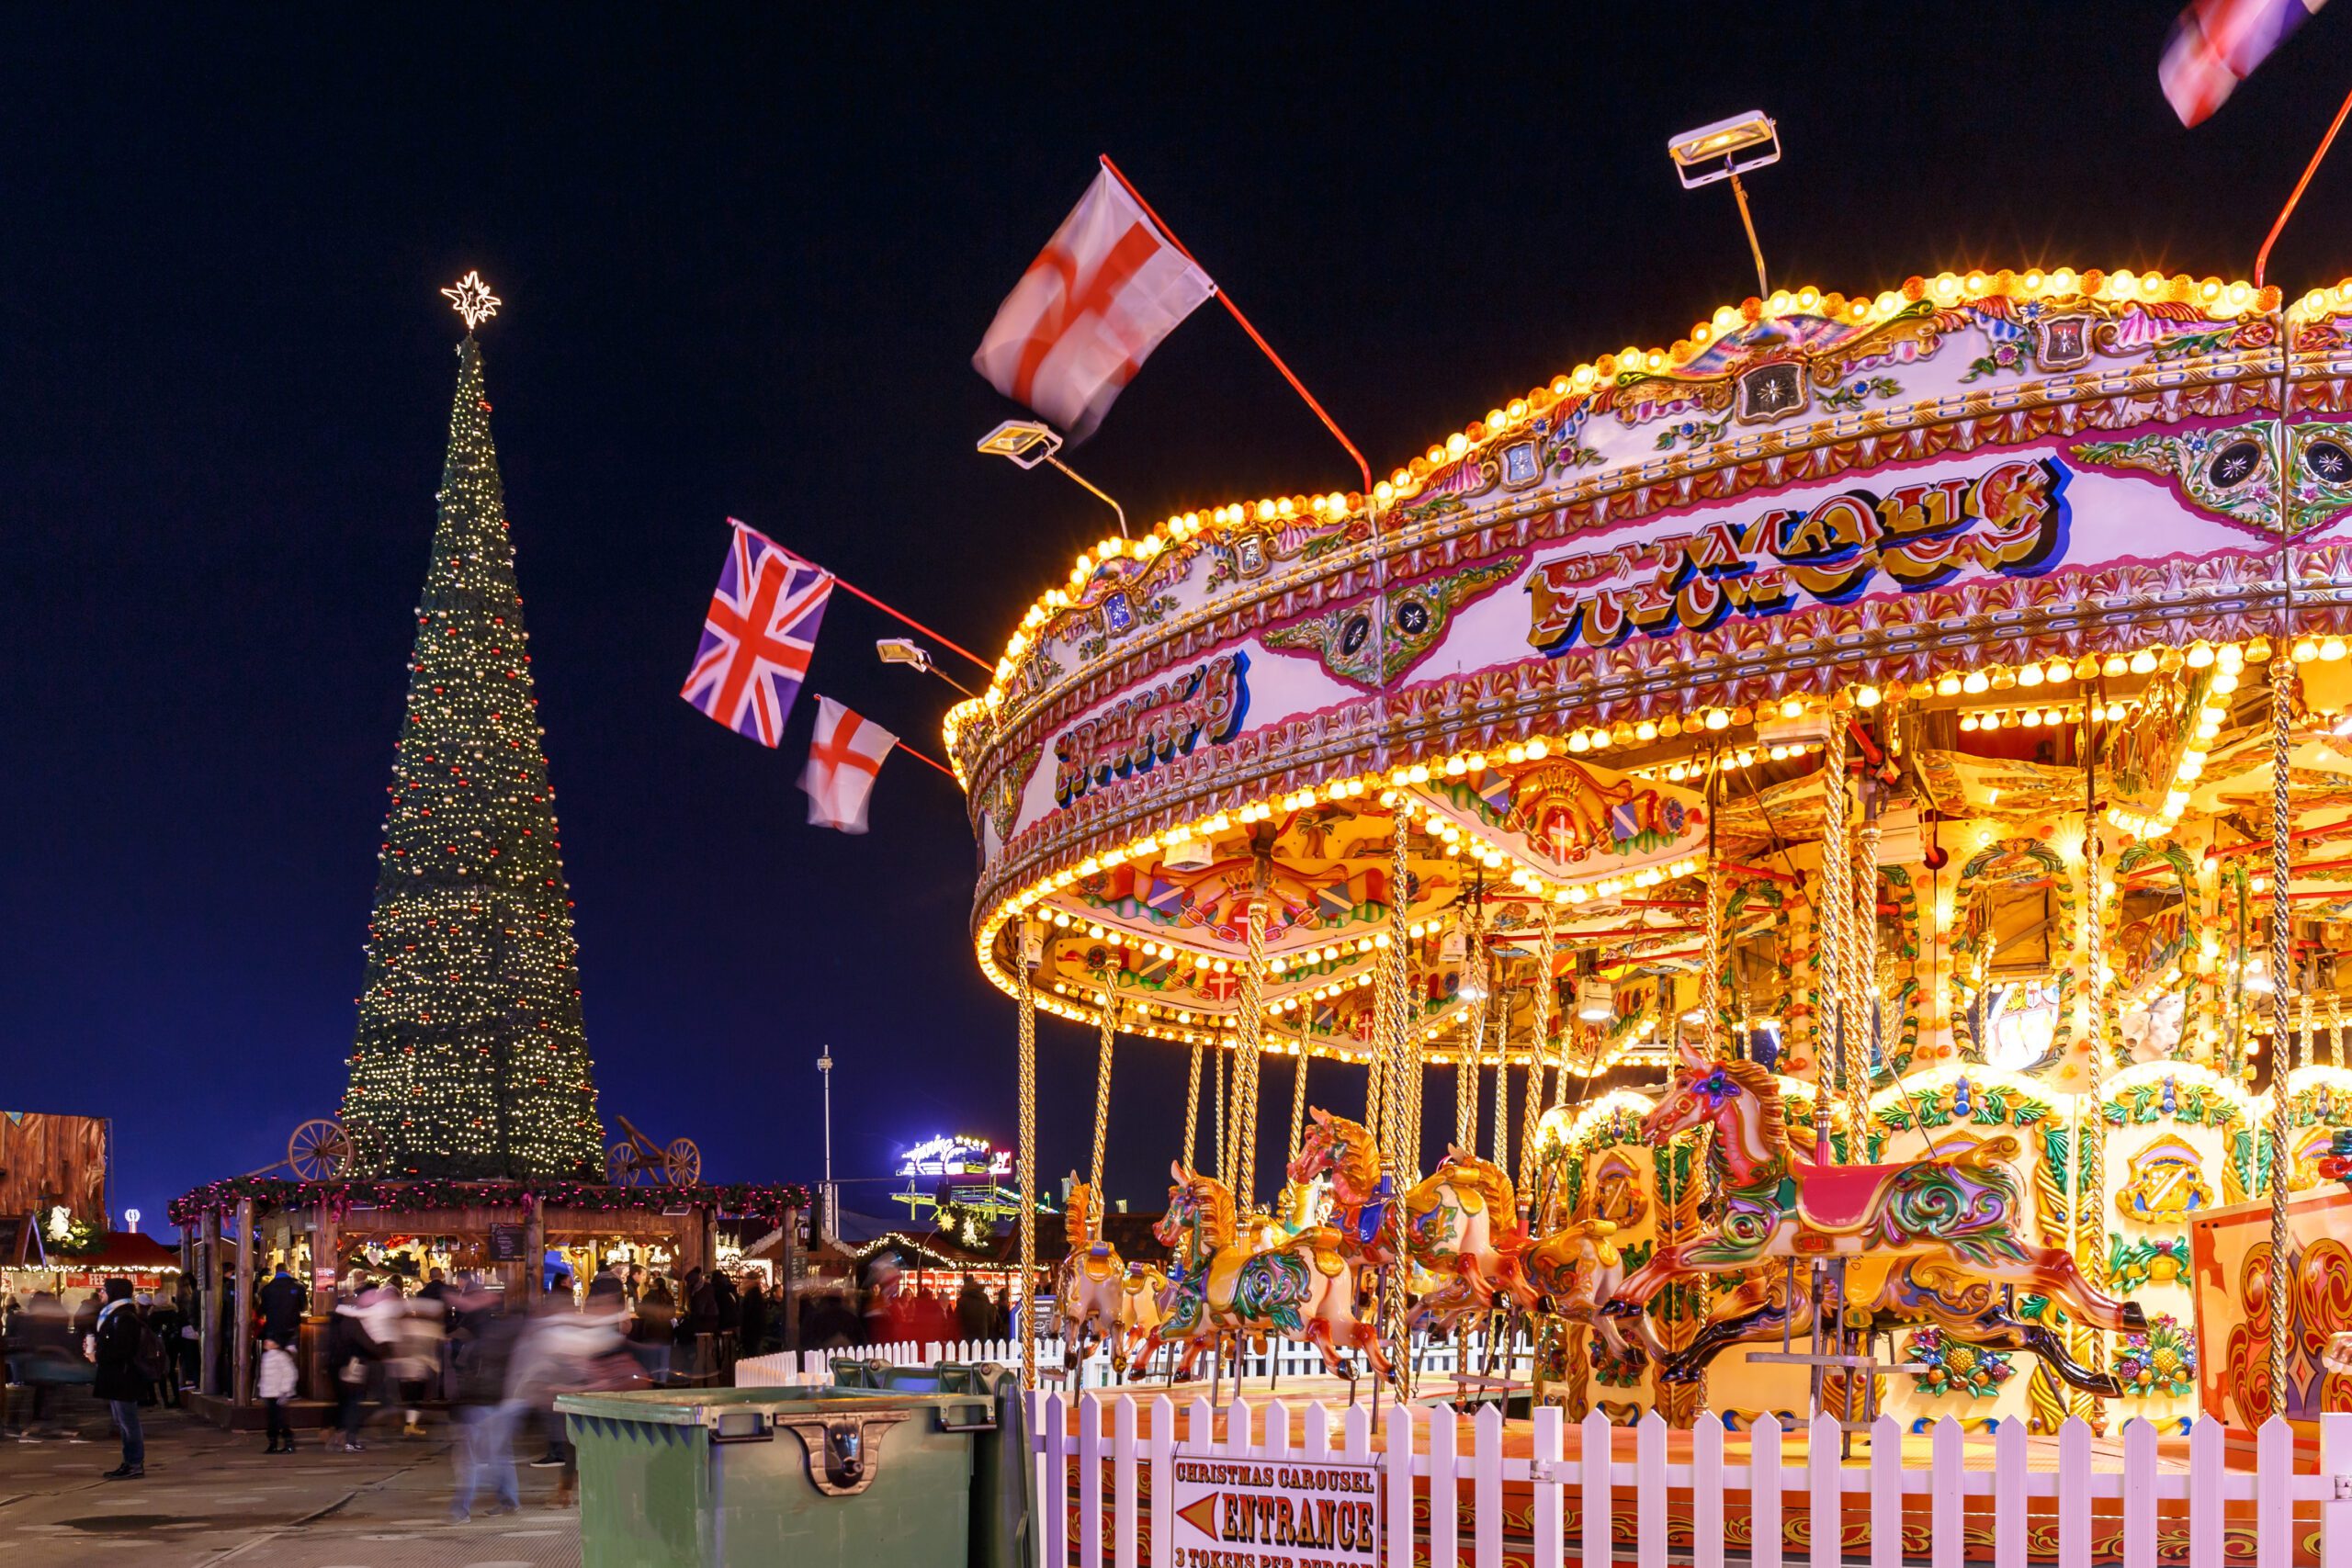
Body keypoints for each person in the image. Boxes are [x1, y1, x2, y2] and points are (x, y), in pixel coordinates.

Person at [447, 1293, 521, 1521]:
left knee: (471, 1460)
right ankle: (508, 1500)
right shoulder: (502, 1337)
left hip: (482, 1403)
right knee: (498, 1455)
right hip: (499, 1402)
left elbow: (469, 1377)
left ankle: (461, 1510)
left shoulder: (480, 1343)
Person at [92, 1279, 148, 1479]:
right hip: (118, 1375)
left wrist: (97, 1355)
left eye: (104, 1290)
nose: (101, 1294)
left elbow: (123, 1349)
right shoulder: (114, 1314)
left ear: (114, 1292)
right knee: (122, 1420)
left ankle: (134, 1463)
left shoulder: (124, 1317)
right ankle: (129, 1462)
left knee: (128, 1421)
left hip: (124, 1376)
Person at [325, 1277, 382, 1451]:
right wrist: (382, 1350)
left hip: (336, 1365)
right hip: (353, 1365)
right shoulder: (351, 1322)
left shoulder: (335, 1321)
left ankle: (339, 1437)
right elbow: (367, 1343)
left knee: (343, 1402)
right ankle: (350, 1439)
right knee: (352, 1404)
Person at [628, 1278, 675, 1384]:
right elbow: (672, 1314)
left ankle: (654, 1381)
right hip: (666, 1332)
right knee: (664, 1360)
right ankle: (663, 1381)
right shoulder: (668, 1297)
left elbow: (640, 1313)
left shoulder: (648, 1297)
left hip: (651, 1331)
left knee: (652, 1361)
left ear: (653, 1285)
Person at [257, 1336, 298, 1453]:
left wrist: (285, 1390)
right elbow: (264, 1376)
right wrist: (262, 1388)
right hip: (268, 1393)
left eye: (270, 1340)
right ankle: (272, 1444)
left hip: (278, 1393)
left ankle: (288, 1443)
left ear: (276, 1344)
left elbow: (290, 1373)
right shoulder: (265, 1356)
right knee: (271, 1420)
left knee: (281, 1419)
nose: (267, 1342)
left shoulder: (281, 1356)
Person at [257, 1260, 307, 1351]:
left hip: (273, 1329)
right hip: (291, 1329)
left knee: (274, 1357)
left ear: (276, 1272)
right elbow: (304, 1307)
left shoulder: (267, 1289)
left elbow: (263, 1309)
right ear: (288, 1271)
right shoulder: (299, 1286)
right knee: (290, 1357)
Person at [736, 1275, 766, 1359]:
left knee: (752, 1355)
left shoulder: (752, 1295)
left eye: (745, 1281)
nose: (742, 1284)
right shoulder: (754, 1294)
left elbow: (749, 1315)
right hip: (754, 1332)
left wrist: (744, 1332)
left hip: (751, 1332)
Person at [956, 1276, 993, 1342]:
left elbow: (957, 1321)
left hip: (965, 1336)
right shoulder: (984, 1298)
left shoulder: (962, 1301)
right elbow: (991, 1318)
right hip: (982, 1334)